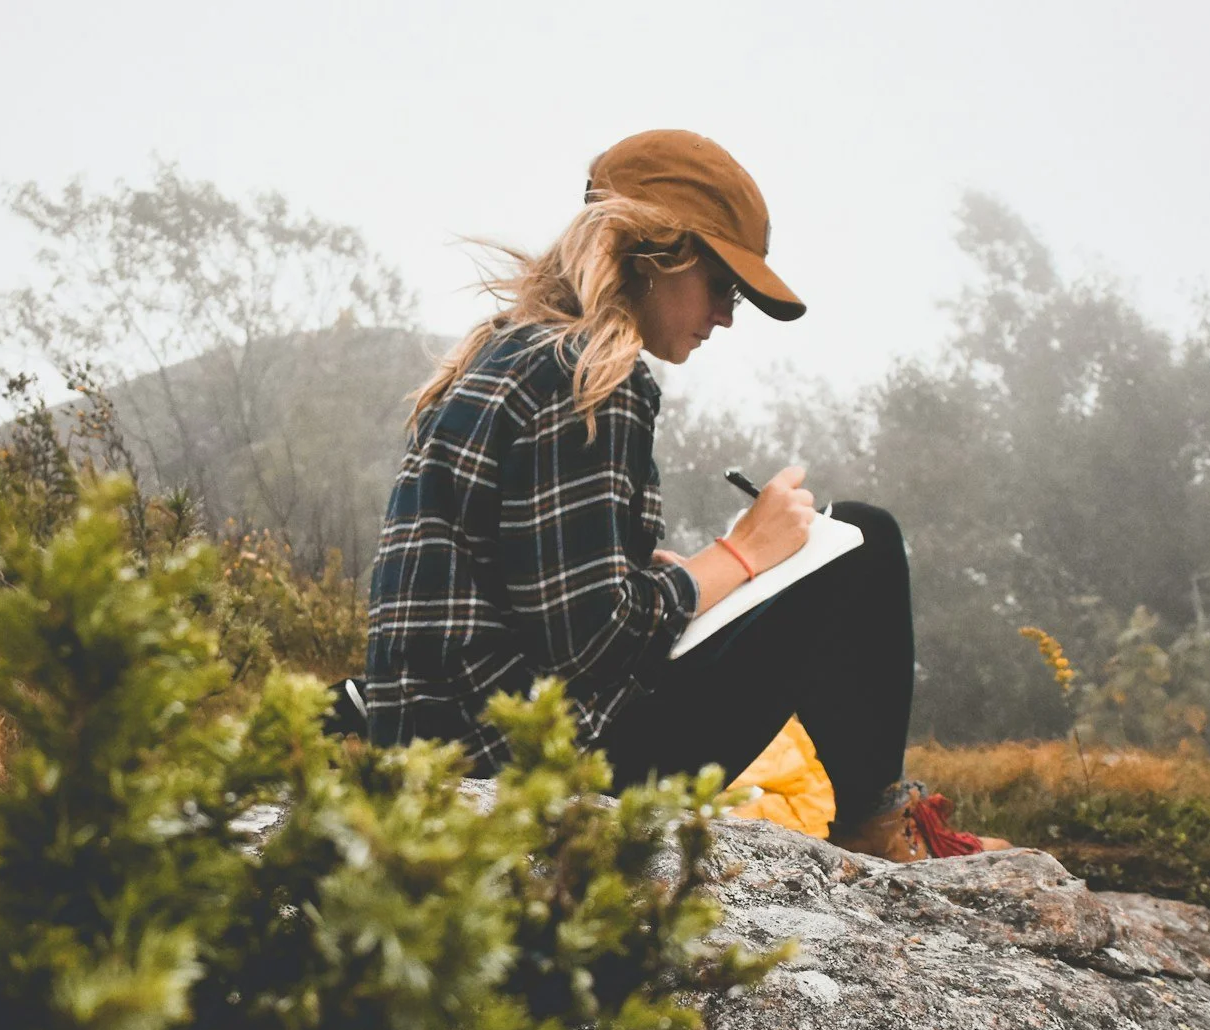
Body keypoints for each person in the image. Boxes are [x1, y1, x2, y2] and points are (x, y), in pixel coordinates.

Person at [362, 129, 1002, 862]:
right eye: (723, 285)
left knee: (816, 553)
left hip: (452, 753)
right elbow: (592, 641)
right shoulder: (591, 375)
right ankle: (872, 824)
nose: (728, 315)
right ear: (655, 252)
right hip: (536, 768)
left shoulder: (504, 355)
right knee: (863, 542)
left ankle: (870, 819)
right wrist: (742, 553)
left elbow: (535, 608)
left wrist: (674, 577)